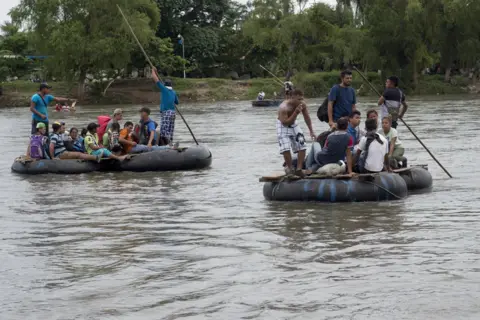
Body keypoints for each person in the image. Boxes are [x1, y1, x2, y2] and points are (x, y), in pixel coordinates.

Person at [277, 93, 316, 177]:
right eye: (299, 99)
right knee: (285, 147)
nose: (301, 101)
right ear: (292, 98)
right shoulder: (283, 107)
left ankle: (299, 169)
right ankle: (290, 169)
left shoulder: (302, 105)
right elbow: (286, 123)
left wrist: (311, 131)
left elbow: (307, 117)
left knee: (302, 145)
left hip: (294, 123)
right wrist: (296, 112)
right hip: (283, 125)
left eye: (302, 99)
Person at [151, 68, 179, 146]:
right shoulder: (173, 92)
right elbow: (177, 102)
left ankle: (165, 144)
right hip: (173, 113)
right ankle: (170, 143)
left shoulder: (164, 89)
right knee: (170, 130)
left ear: (165, 85)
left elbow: (155, 79)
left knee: (164, 130)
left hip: (166, 113)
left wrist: (153, 71)